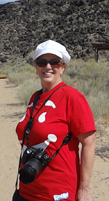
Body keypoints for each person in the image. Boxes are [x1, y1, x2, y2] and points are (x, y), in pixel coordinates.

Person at [14, 40, 96, 201]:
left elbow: (89, 143)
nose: (48, 67)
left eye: (55, 62)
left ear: (63, 67)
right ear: (36, 67)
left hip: (57, 192)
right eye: (42, 62)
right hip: (26, 189)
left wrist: (84, 190)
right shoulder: (35, 97)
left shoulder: (72, 97)